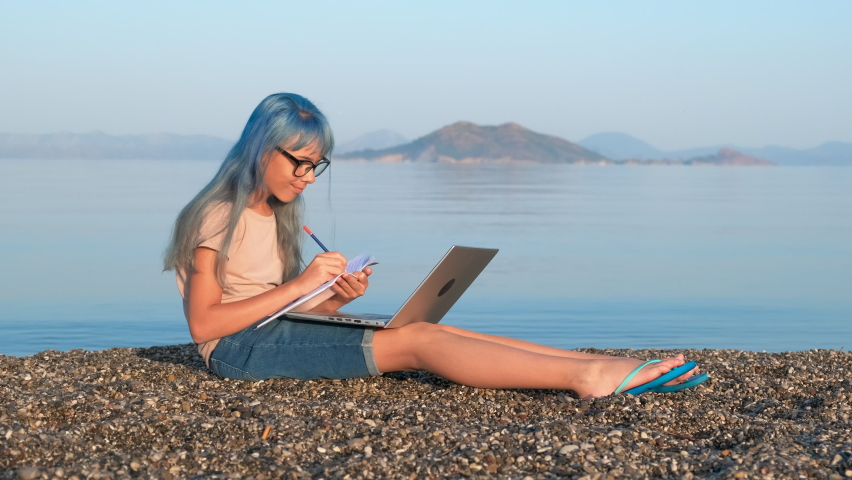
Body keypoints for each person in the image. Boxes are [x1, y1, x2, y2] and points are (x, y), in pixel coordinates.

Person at [164, 93, 705, 399]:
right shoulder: (214, 216)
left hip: (270, 334)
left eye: (316, 164)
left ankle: (600, 361)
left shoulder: (277, 212)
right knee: (416, 342)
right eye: (299, 162)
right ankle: (586, 379)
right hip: (237, 354)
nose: (308, 175)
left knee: (425, 328)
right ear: (261, 148)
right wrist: (307, 282)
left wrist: (330, 301)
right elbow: (206, 326)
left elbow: (277, 305)